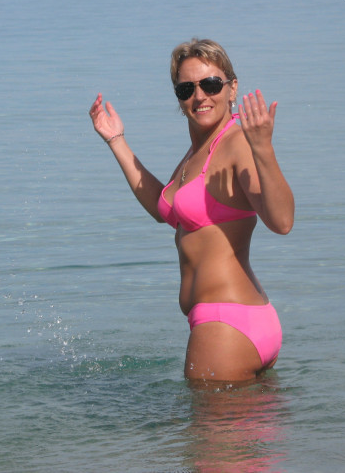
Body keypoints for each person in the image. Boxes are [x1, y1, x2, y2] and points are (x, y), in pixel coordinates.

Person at [89, 38, 294, 382]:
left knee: (198, 421)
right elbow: (164, 209)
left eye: (211, 84)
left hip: (226, 325)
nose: (199, 96)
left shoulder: (236, 143)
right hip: (239, 322)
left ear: (232, 88)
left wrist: (263, 149)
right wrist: (116, 141)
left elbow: (282, 221)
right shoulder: (196, 152)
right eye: (187, 88)